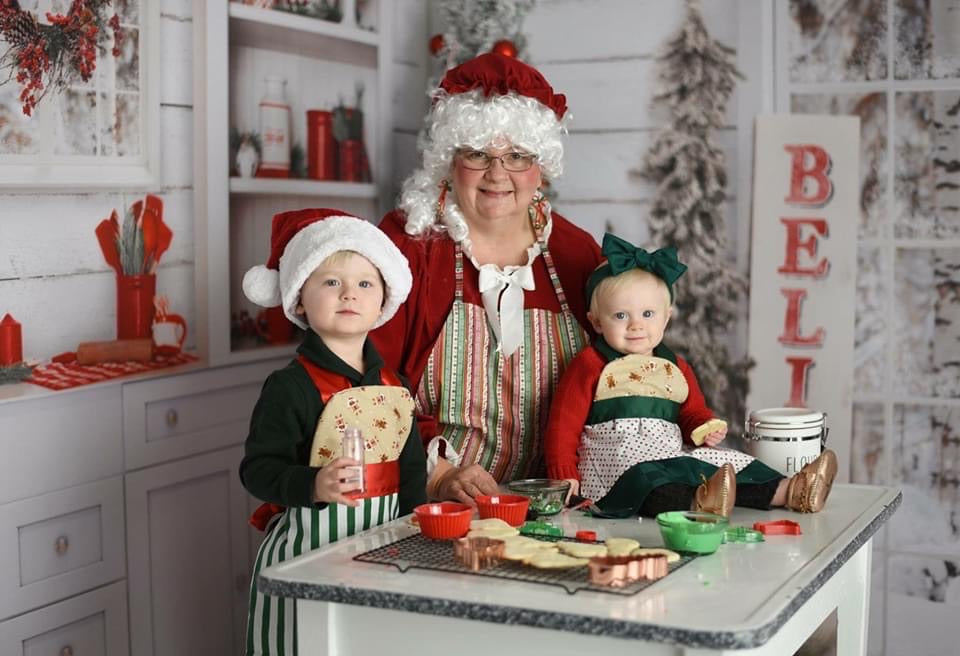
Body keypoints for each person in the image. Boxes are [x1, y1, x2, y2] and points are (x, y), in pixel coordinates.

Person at [371, 52, 604, 505]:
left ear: (539, 167)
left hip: (554, 508)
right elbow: (363, 377)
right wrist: (438, 474)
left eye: (517, 155)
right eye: (478, 154)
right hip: (429, 501)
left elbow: (619, 367)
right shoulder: (407, 245)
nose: (498, 174)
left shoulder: (575, 253)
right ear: (449, 161)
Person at [239, 208, 427, 656]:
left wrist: (419, 535)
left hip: (383, 558)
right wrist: (313, 484)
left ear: (383, 300)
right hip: (306, 563)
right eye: (330, 282)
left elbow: (412, 468)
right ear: (298, 298)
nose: (349, 294)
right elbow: (257, 470)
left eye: (365, 283)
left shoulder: (394, 386)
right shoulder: (291, 386)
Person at [545, 233, 838, 518]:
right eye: (621, 316)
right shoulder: (590, 364)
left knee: (727, 461)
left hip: (669, 452)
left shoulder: (675, 366)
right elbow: (562, 426)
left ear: (666, 317)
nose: (636, 326)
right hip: (616, 463)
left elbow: (691, 412)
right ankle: (701, 502)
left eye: (648, 314)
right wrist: (563, 476)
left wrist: (703, 426)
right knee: (652, 483)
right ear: (596, 322)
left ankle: (792, 490)